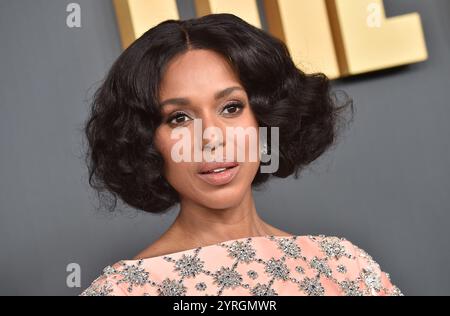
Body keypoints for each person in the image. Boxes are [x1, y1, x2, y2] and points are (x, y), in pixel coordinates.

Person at [80, 13, 402, 296]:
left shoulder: (344, 268)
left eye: (231, 108)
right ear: (147, 143)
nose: (212, 137)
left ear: (264, 120)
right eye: (179, 118)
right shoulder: (125, 290)